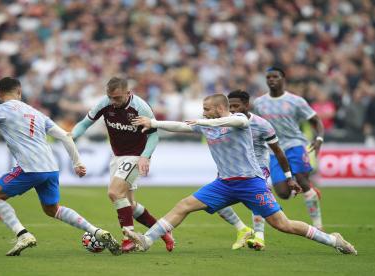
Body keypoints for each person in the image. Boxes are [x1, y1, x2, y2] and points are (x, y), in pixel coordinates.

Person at [127, 93, 356, 255]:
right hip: (224, 184)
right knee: (184, 205)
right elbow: (181, 126)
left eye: (207, 109)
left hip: (251, 183)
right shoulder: (206, 124)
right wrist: (154, 122)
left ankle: (333, 240)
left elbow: (230, 120)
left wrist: (206, 121)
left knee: (282, 225)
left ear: (218, 108)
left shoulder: (240, 120)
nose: (203, 113)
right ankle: (147, 241)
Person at [0, 77, 121, 256]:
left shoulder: (0, 109)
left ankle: (22, 234)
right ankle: (96, 231)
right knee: (52, 209)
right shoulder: (37, 113)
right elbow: (65, 136)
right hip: (51, 168)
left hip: (29, 168)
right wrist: (77, 162)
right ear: (20, 92)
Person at [72, 77, 175, 252]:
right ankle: (162, 231)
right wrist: (69, 138)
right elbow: (84, 124)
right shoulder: (105, 103)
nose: (113, 101)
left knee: (114, 192)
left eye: (117, 98)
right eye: (110, 97)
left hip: (136, 156)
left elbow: (153, 135)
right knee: (129, 204)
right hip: (118, 157)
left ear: (128, 93)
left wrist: (145, 156)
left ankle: (129, 237)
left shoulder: (140, 107)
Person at [202, 90, 296, 251]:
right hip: (233, 169)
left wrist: (289, 177)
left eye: (236, 106)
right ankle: (242, 229)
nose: (233, 110)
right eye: (230, 106)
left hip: (258, 167)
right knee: (211, 202)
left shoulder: (262, 125)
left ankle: (259, 236)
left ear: (247, 105)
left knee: (256, 198)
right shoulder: (224, 122)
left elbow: (278, 151)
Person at [254, 67, 325, 230]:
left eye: (275, 77)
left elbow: (315, 120)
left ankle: (318, 225)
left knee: (302, 179)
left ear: (283, 79)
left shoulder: (296, 101)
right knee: (283, 193)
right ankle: (303, 188)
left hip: (295, 144)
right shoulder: (259, 103)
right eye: (268, 77)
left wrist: (319, 138)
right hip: (274, 150)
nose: (271, 80)